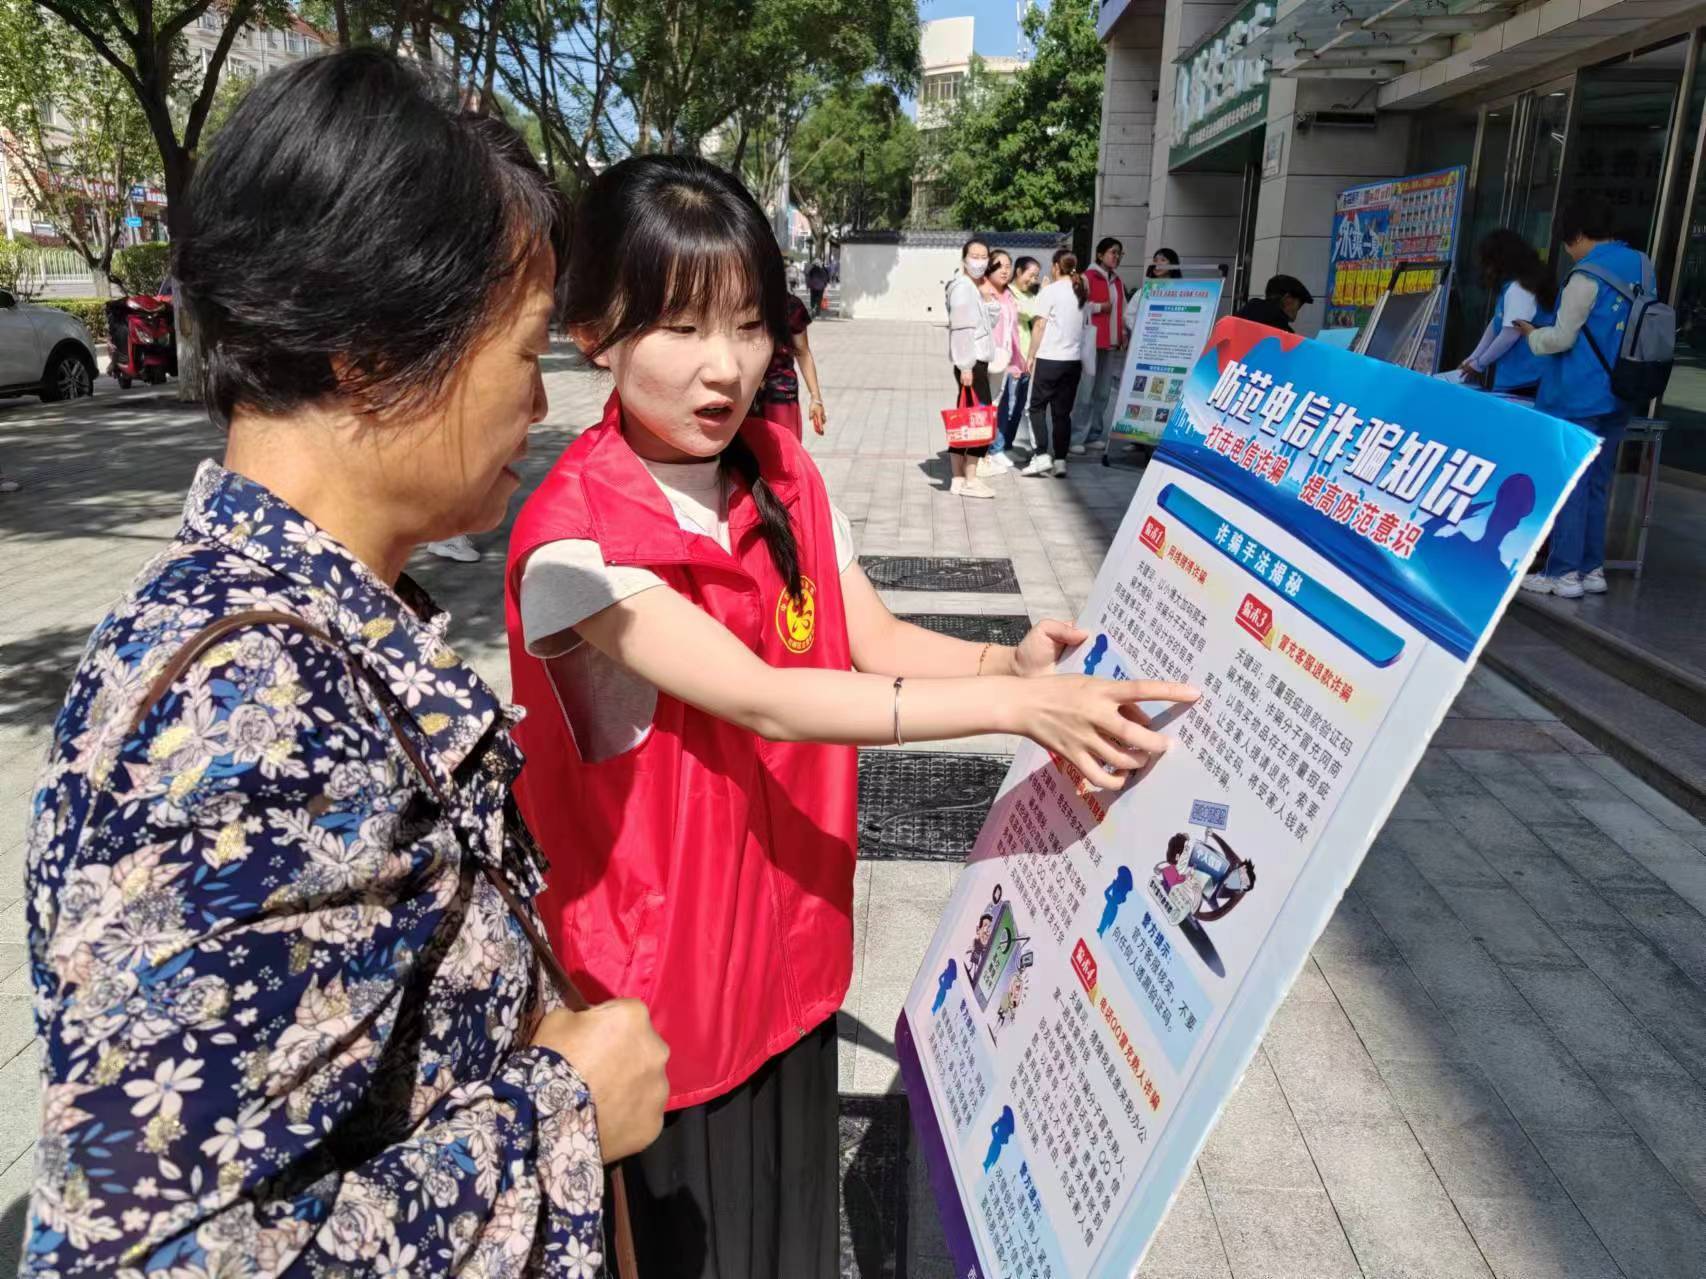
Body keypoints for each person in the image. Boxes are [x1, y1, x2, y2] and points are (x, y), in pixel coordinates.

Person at [19, 49, 671, 1278]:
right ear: (371, 350)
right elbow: (151, 1259)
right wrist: (560, 1109)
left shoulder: (287, 629)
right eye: (526, 350)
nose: (542, 404)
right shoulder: (247, 722)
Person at [503, 154, 1199, 1279]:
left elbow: (861, 637)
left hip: (790, 950)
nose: (722, 367)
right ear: (596, 331)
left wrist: (999, 653)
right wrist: (1017, 705)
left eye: (746, 324)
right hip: (662, 1001)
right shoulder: (570, 543)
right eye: (680, 328)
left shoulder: (779, 472)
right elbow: (768, 697)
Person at [1514, 196, 1647, 600]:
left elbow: (1562, 337)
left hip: (1578, 395)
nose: (1568, 251)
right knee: (1597, 485)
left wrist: (1531, 335)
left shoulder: (1585, 275)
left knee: (1571, 483)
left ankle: (1563, 574)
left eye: (1567, 242)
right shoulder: (1642, 265)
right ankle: (1592, 569)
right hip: (1621, 392)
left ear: (1577, 235)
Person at [1459, 229, 1556, 397]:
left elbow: (1510, 333)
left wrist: (1479, 364)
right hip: (1521, 378)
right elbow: (1496, 324)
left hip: (1526, 379)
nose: (1486, 271)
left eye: (1487, 264)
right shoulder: (1516, 286)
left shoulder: (1519, 289)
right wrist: (1473, 358)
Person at [1022, 251, 1091, 478]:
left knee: (1036, 408)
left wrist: (1031, 355)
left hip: (1049, 358)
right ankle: (1060, 460)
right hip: (1073, 361)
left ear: (1055, 267)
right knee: (1062, 413)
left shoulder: (1050, 291)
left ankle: (1041, 456)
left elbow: (1039, 326)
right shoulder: (1081, 290)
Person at [946, 236, 998, 498]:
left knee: (965, 418)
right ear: (964, 258)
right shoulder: (963, 288)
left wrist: (989, 300)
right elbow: (961, 329)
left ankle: (958, 477)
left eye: (983, 256)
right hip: (971, 362)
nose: (979, 261)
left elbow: (986, 324)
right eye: (974, 256)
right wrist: (965, 365)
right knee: (980, 418)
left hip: (973, 361)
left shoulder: (972, 287)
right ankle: (970, 477)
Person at [1071, 236, 1128, 454]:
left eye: (1119, 253)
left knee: (1103, 392)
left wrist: (1122, 334)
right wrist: (1098, 308)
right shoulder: (1087, 277)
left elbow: (1121, 311)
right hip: (1091, 341)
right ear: (1100, 254)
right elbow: (1077, 305)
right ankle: (1076, 437)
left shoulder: (1118, 281)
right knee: (1085, 391)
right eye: (1113, 252)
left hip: (1111, 343)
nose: (1116, 257)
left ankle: (1094, 433)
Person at [754, 290, 827, 438]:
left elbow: (803, 352)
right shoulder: (741, 303)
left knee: (785, 454)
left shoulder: (791, 306)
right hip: (744, 395)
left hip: (781, 395)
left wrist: (816, 399)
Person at [980, 250, 1027, 475]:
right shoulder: (983, 292)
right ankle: (984, 451)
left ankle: (996, 448)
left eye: (1008, 265)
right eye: (1000, 266)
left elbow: (1013, 332)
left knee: (1000, 405)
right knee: (986, 405)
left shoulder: (1009, 295)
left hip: (1004, 358)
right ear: (989, 268)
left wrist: (1018, 360)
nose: (1006, 270)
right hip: (986, 359)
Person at [994, 255, 1044, 464]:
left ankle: (1007, 445)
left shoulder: (1030, 295)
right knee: (1006, 404)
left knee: (1018, 406)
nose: (1033, 280)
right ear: (1018, 272)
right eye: (1030, 275)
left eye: (1036, 277)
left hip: (1028, 360)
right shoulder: (1008, 293)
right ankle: (996, 449)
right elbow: (1031, 313)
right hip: (1012, 358)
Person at [1235, 274, 1315, 333]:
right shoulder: (1282, 332)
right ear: (1288, 299)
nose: (1297, 311)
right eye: (1299, 305)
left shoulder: (1242, 315)